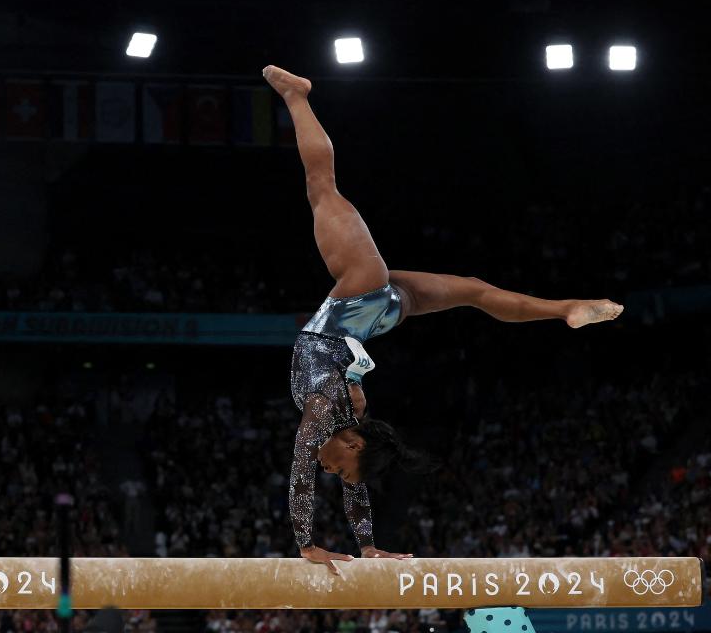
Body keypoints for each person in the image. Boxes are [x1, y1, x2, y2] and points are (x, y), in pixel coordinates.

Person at [262, 65, 623, 574]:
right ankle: (297, 97)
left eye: (340, 473)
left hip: (377, 319)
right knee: (322, 187)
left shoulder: (343, 420)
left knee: (475, 292)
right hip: (362, 297)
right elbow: (301, 469)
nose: (331, 469)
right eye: (340, 467)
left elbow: (351, 479)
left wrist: (367, 548)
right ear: (353, 442)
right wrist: (305, 544)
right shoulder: (327, 415)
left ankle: (562, 308)